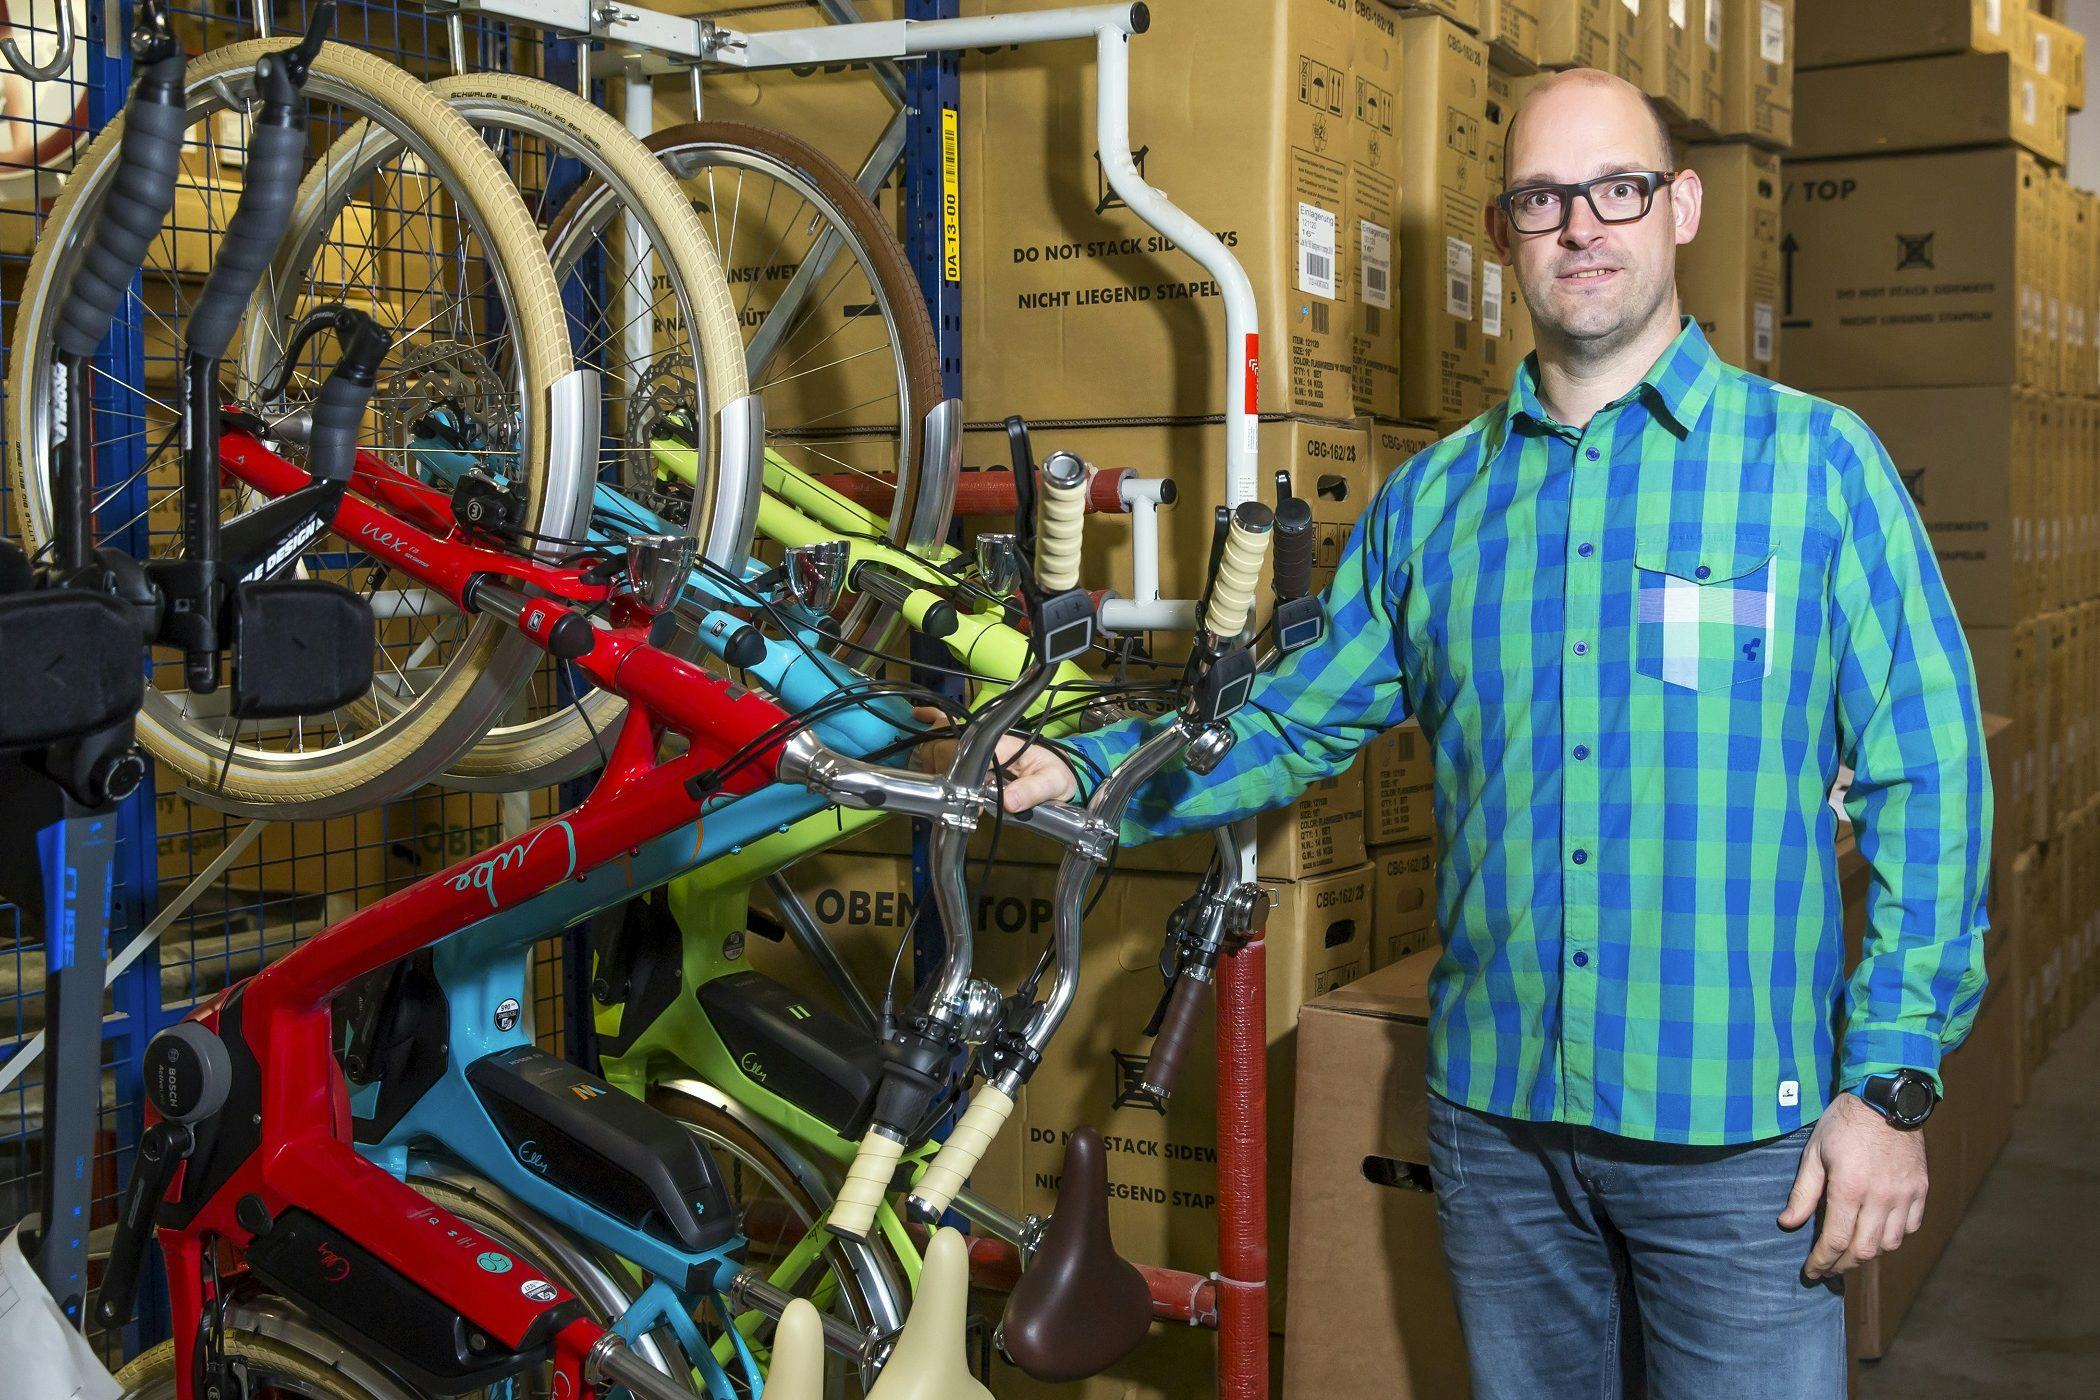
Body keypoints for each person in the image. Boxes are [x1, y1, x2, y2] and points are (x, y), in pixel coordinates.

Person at [988, 69, 1991, 1397]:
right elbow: (1291, 721)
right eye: (1541, 199)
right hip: (1500, 1132)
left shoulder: (1813, 466)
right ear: (1503, 229)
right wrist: (1094, 768)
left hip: (1745, 1139)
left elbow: (1933, 776)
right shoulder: (1436, 505)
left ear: (1680, 207)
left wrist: (1891, 1090)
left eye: (1616, 190)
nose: (1582, 225)